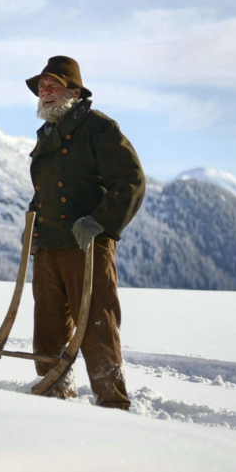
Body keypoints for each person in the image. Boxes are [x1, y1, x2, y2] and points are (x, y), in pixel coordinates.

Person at [25, 56, 145, 409]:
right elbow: (43, 190)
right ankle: (53, 395)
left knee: (96, 327)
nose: (45, 93)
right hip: (49, 246)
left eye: (53, 86)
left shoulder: (99, 128)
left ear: (74, 91)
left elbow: (131, 182)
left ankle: (112, 401)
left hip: (87, 246)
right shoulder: (47, 132)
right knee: (47, 331)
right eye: (42, 88)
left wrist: (99, 220)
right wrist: (33, 224)